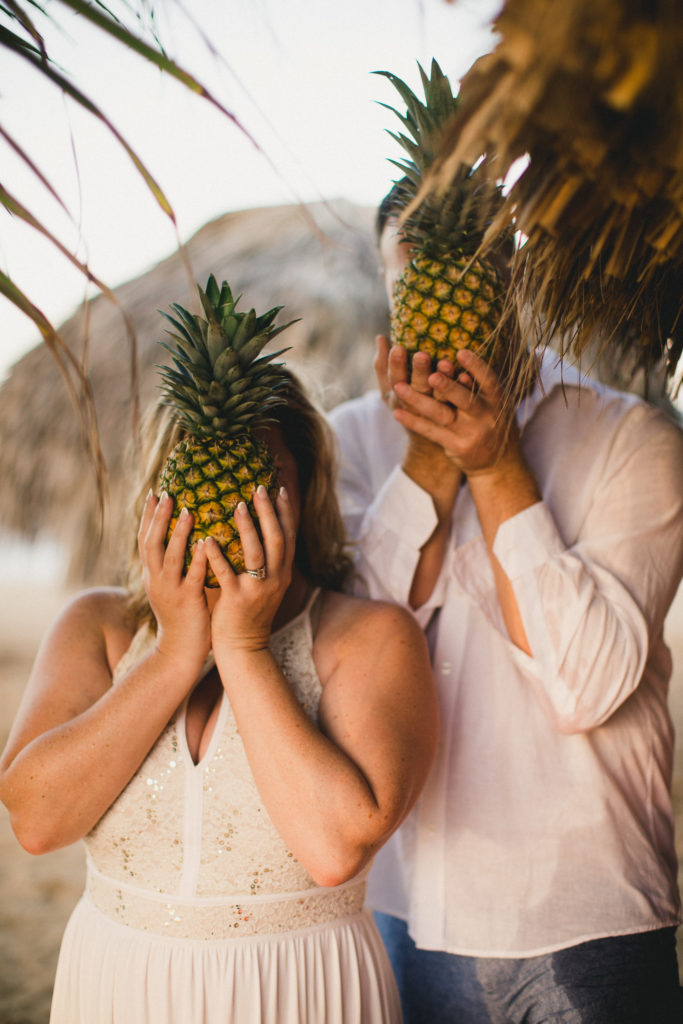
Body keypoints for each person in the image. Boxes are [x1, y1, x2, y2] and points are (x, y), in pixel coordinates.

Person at [328, 187, 683, 1023]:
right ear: (388, 287)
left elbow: (584, 688)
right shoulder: (347, 444)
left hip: (584, 909)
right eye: (414, 279)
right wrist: (425, 464)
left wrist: (494, 469)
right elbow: (339, 670)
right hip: (402, 902)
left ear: (512, 272)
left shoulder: (635, 442)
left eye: (466, 274)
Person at [0, 370, 439, 1024]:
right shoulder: (98, 625)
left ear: (305, 486)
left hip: (297, 991)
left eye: (257, 475)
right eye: (207, 471)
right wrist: (176, 650)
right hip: (119, 985)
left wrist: (242, 647)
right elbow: (35, 821)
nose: (231, 501)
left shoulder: (371, 637)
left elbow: (332, 850)